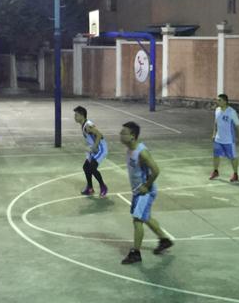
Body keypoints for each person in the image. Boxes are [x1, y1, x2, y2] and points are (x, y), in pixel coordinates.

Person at [119, 121, 173, 265]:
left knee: (137, 219)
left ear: (133, 136)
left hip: (146, 192)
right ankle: (164, 240)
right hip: (137, 191)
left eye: (124, 133)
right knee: (146, 217)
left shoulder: (142, 152)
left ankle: (135, 253)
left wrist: (146, 186)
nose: (120, 135)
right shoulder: (130, 149)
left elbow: (156, 170)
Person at [73, 106, 108, 197]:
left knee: (92, 167)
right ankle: (90, 188)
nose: (74, 117)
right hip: (94, 148)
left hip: (100, 148)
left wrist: (95, 147)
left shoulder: (88, 126)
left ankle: (103, 187)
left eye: (76, 115)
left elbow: (99, 135)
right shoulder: (84, 125)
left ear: (82, 115)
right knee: (86, 167)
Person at [210, 93, 239, 182]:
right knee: (216, 156)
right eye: (217, 100)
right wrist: (214, 134)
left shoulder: (232, 112)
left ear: (225, 101)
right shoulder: (217, 110)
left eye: (219, 100)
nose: (217, 101)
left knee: (233, 157)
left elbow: (238, 125)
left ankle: (235, 174)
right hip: (218, 139)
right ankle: (215, 171)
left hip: (229, 140)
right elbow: (216, 123)